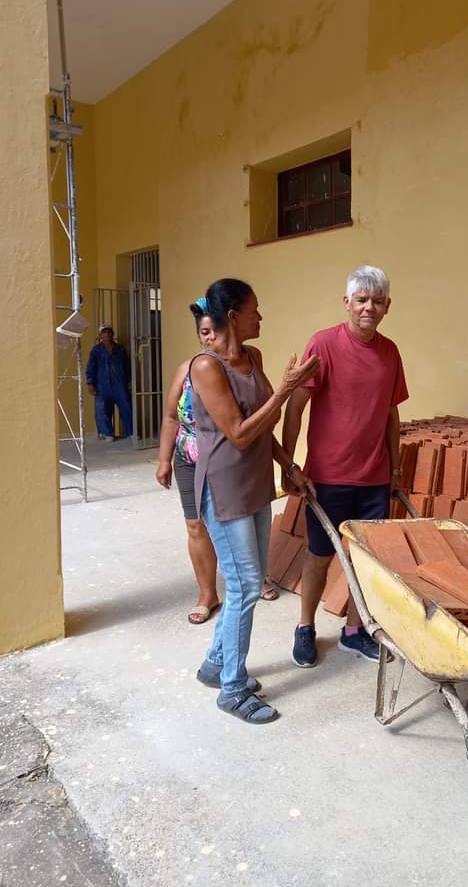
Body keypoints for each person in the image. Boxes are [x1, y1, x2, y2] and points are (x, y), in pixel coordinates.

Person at [190, 278, 319, 724]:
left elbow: (263, 429)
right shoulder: (205, 367)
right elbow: (241, 434)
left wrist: (288, 464)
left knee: (252, 578)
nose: (260, 318)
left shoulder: (254, 358)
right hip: (223, 488)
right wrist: (284, 390)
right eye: (254, 310)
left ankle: (214, 665)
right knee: (245, 587)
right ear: (232, 317)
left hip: (257, 482)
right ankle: (231, 687)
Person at [282, 265, 408, 668]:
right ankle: (305, 627)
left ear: (387, 306)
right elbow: (296, 406)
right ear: (347, 303)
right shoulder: (324, 344)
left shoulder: (390, 352)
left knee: (365, 561)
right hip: (328, 478)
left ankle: (355, 631)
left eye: (377, 300)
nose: (369, 307)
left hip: (373, 480)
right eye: (362, 300)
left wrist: (396, 469)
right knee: (320, 555)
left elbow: (391, 414)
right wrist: (289, 464)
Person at [155, 299, 223, 624]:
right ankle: (207, 593)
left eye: (215, 331)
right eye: (204, 332)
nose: (210, 339)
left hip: (227, 461)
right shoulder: (186, 369)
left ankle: (255, 578)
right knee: (195, 524)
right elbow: (171, 417)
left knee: (236, 523)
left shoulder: (238, 368)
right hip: (188, 458)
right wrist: (164, 459)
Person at [86, 325, 133, 439]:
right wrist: (90, 383)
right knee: (102, 409)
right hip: (102, 384)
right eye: (104, 333)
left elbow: (127, 366)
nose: (107, 336)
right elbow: (91, 367)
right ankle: (107, 433)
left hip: (119, 383)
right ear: (101, 336)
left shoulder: (120, 349)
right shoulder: (96, 350)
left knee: (126, 406)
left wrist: (129, 381)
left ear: (112, 334)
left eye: (109, 333)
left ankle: (131, 432)